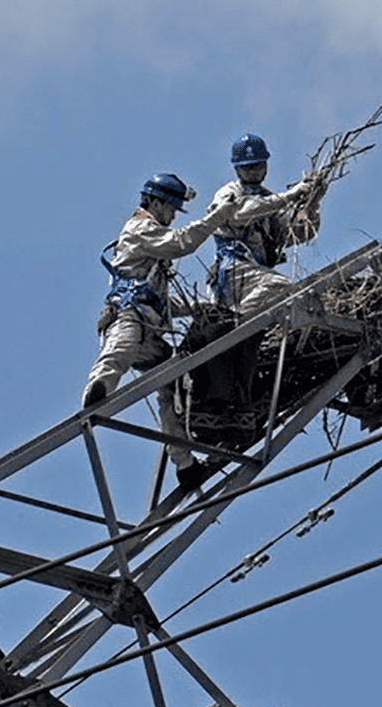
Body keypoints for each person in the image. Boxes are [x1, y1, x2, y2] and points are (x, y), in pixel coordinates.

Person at [82, 172, 236, 491]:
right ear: (154, 202)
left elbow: (161, 300)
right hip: (129, 315)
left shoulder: (151, 246)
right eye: (170, 209)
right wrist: (217, 217)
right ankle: (96, 391)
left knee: (173, 385)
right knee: (119, 350)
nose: (171, 217)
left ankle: (184, 462)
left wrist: (196, 308)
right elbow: (183, 243)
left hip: (150, 329)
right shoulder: (140, 228)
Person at [193, 134, 327, 414]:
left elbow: (299, 233)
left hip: (255, 275)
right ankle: (238, 325)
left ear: (266, 164)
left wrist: (312, 203)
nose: (253, 171)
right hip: (235, 273)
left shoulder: (269, 199)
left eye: (257, 165)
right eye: (247, 167)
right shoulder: (229, 193)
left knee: (247, 347)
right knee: (280, 286)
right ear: (236, 169)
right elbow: (241, 214)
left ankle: (235, 379)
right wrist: (291, 195)